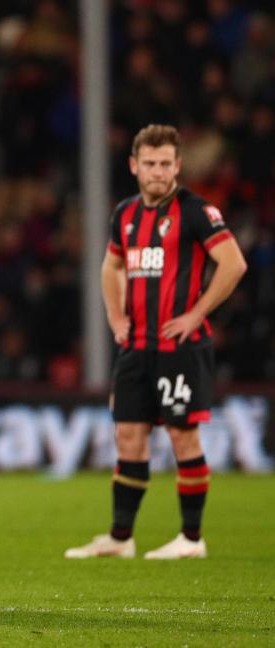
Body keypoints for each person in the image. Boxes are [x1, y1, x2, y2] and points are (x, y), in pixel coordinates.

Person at [65, 124, 247, 560]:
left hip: (181, 347)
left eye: (166, 164)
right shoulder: (125, 215)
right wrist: (115, 316)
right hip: (137, 347)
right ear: (134, 166)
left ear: (178, 166)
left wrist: (196, 313)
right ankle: (121, 538)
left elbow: (233, 263)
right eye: (150, 163)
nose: (158, 172)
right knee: (128, 437)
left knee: (184, 438)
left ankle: (191, 537)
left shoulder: (197, 212)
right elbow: (111, 269)